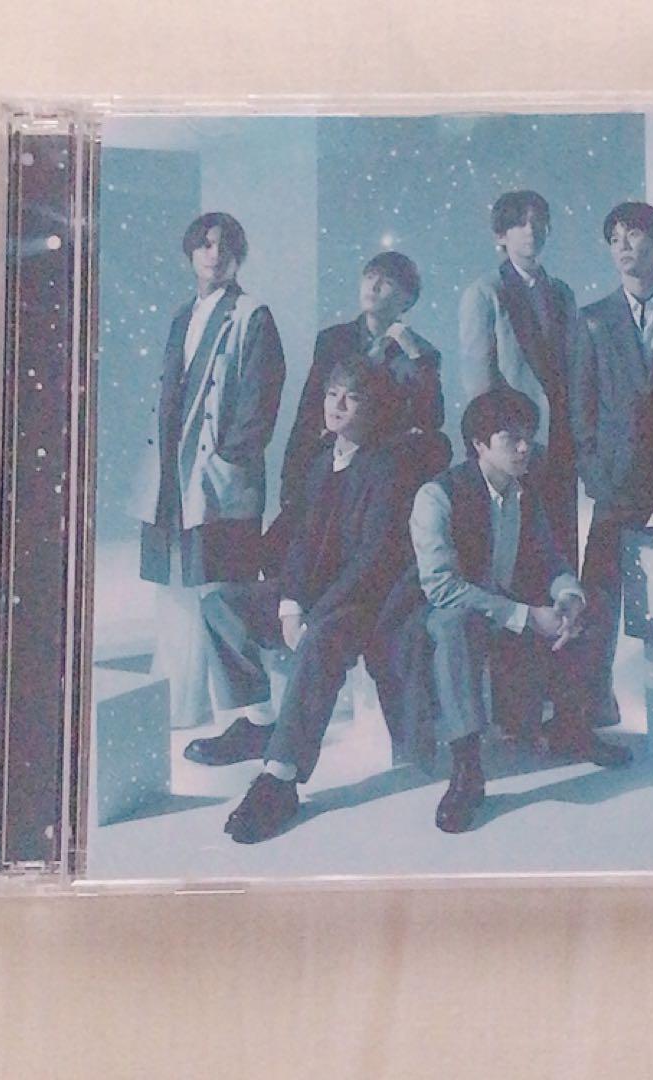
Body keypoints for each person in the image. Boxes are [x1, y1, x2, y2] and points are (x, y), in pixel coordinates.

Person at [185, 357, 419, 843]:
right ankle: (259, 724)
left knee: (320, 642)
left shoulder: (389, 469)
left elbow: (374, 561)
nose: (337, 404)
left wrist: (314, 613)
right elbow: (300, 542)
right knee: (219, 604)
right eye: (333, 393)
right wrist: (290, 602)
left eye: (352, 397)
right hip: (310, 595)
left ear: (373, 408)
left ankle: (281, 777)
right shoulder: (320, 461)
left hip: (362, 603)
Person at [411, 388, 633, 834]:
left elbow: (549, 560)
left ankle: (570, 726)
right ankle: (467, 768)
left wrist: (568, 596)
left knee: (591, 607)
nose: (524, 447)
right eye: (511, 438)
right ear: (479, 444)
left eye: (528, 436)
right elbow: (441, 588)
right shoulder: (437, 495)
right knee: (455, 628)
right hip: (445, 612)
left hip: (506, 607)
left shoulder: (523, 493)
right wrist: (527, 616)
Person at [129, 212, 285, 729]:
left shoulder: (252, 315)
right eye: (204, 244)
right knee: (175, 585)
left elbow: (260, 403)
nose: (213, 254)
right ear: (190, 253)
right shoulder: (183, 315)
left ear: (238, 255)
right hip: (173, 475)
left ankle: (243, 716)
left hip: (217, 479)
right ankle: (182, 702)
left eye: (223, 246)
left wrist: (226, 460)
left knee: (222, 591)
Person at [570, 202, 653, 726]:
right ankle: (591, 703)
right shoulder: (593, 319)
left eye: (634, 235)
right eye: (614, 237)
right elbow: (581, 407)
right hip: (616, 478)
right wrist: (594, 471)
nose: (622, 246)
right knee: (599, 592)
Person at [276, 250, 448, 549]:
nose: (374, 286)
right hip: (328, 463)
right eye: (369, 277)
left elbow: (431, 419)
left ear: (407, 299)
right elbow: (309, 411)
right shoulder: (333, 340)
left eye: (387, 281)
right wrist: (291, 477)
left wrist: (415, 356)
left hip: (380, 473)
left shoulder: (422, 353)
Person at [458, 191, 579, 565]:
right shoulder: (485, 293)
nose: (531, 230)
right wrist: (494, 445)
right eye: (519, 223)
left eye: (538, 222)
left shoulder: (561, 292)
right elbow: (480, 384)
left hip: (560, 439)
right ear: (501, 235)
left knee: (560, 544)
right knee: (515, 548)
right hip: (512, 442)